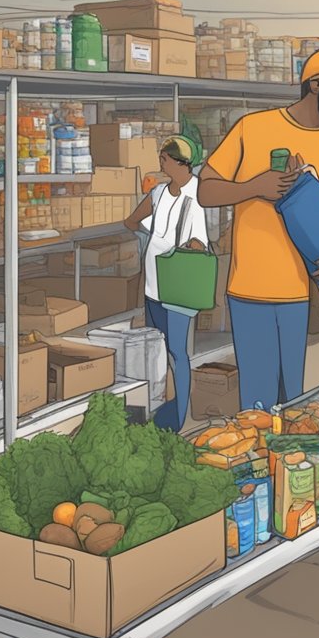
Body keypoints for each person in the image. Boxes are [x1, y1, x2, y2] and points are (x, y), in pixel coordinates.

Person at [199, 48, 319, 410]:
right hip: (249, 289)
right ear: (315, 86)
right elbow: (205, 190)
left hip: (298, 291)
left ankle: (285, 465)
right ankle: (257, 465)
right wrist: (253, 187)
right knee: (257, 403)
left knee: (291, 398)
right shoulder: (253, 129)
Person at [124, 135, 209, 431]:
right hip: (154, 287)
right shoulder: (159, 193)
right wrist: (150, 238)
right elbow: (131, 220)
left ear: (181, 163)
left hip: (180, 288)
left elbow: (201, 242)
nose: (161, 163)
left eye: (165, 159)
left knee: (176, 352)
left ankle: (177, 417)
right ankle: (160, 411)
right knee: (157, 351)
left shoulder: (200, 193)